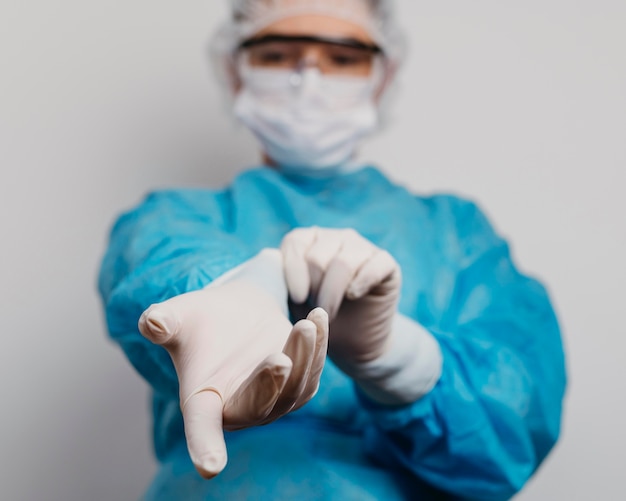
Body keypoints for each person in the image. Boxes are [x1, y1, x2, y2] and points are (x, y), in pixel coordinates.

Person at [98, 1, 567, 499]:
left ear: (382, 76)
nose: (310, 79)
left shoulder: (456, 234)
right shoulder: (175, 218)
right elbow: (161, 268)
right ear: (235, 71)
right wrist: (228, 291)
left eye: (343, 58)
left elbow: (511, 430)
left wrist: (397, 358)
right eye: (278, 55)